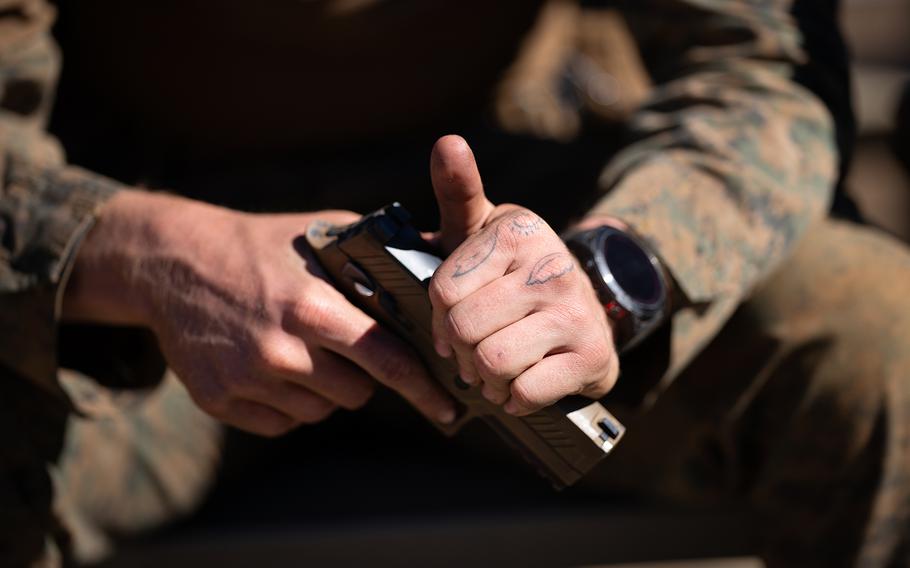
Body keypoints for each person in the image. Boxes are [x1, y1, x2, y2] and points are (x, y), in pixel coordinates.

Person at [1, 0, 909, 566]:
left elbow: (758, 69)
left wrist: (615, 271)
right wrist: (138, 252)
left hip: (517, 212)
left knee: (880, 336)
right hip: (125, 258)